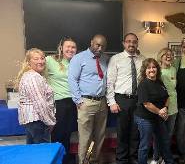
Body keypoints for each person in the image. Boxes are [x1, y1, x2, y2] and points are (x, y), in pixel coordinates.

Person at [69, 34, 109, 164]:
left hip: (102, 103)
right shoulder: (79, 58)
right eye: (97, 45)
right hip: (86, 102)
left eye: (103, 46)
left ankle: (94, 160)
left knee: (100, 136)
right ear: (91, 42)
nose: (100, 48)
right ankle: (82, 161)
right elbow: (72, 80)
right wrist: (78, 101)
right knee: (85, 137)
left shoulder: (106, 59)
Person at [106, 33, 145, 164]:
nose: (131, 44)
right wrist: (111, 102)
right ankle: (121, 160)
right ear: (124, 43)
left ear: (137, 43)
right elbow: (109, 82)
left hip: (138, 100)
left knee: (135, 131)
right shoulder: (116, 59)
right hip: (121, 99)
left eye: (134, 41)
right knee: (122, 133)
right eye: (128, 41)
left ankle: (133, 158)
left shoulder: (142, 59)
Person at [134, 58, 174, 164]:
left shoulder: (159, 82)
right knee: (145, 145)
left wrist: (165, 108)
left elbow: (167, 97)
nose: (152, 70)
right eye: (149, 68)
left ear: (157, 69)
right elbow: (146, 104)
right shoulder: (143, 84)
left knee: (164, 141)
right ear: (145, 71)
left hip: (158, 117)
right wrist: (160, 112)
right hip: (145, 119)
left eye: (154, 67)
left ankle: (169, 161)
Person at [46, 37, 77, 164]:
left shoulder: (76, 62)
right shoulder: (50, 60)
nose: (70, 49)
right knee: (58, 135)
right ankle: (56, 160)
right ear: (61, 48)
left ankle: (66, 160)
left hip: (73, 102)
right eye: (68, 46)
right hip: (59, 103)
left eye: (73, 47)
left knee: (68, 134)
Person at [16, 48, 56, 144]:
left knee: (32, 153)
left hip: (34, 121)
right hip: (38, 120)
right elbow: (40, 104)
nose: (40, 61)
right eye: (36, 59)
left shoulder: (30, 75)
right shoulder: (33, 77)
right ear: (28, 62)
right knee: (43, 154)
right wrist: (50, 122)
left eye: (42, 58)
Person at [151, 48, 178, 164]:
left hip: (173, 106)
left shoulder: (173, 69)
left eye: (171, 55)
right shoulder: (157, 71)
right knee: (158, 134)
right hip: (161, 108)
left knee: (169, 134)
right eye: (166, 55)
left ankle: (166, 157)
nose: (169, 56)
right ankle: (156, 157)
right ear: (160, 56)